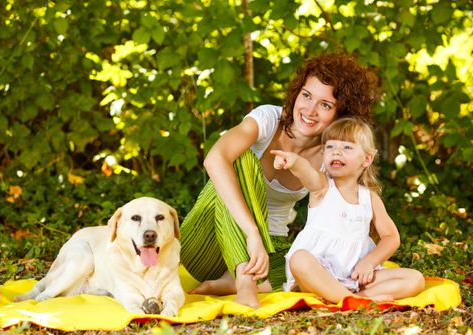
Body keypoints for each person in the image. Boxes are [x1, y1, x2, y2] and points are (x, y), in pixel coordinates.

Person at [180, 53, 377, 308]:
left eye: (325, 105)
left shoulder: (332, 155)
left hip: (267, 254)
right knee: (242, 159)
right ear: (297, 93)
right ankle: (244, 282)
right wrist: (252, 233)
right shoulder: (268, 120)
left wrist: (365, 260)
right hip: (207, 244)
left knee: (300, 265)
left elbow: (347, 210)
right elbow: (214, 159)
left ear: (341, 113)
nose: (310, 110)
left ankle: (230, 280)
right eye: (306, 96)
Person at [272, 118, 425, 303]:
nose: (336, 151)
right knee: (299, 259)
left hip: (355, 276)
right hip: (319, 275)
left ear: (367, 158)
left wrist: (369, 262)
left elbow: (391, 237)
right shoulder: (322, 187)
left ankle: (356, 298)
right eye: (330, 147)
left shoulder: (369, 198)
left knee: (415, 279)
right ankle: (350, 299)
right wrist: (294, 161)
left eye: (347, 147)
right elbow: (307, 172)